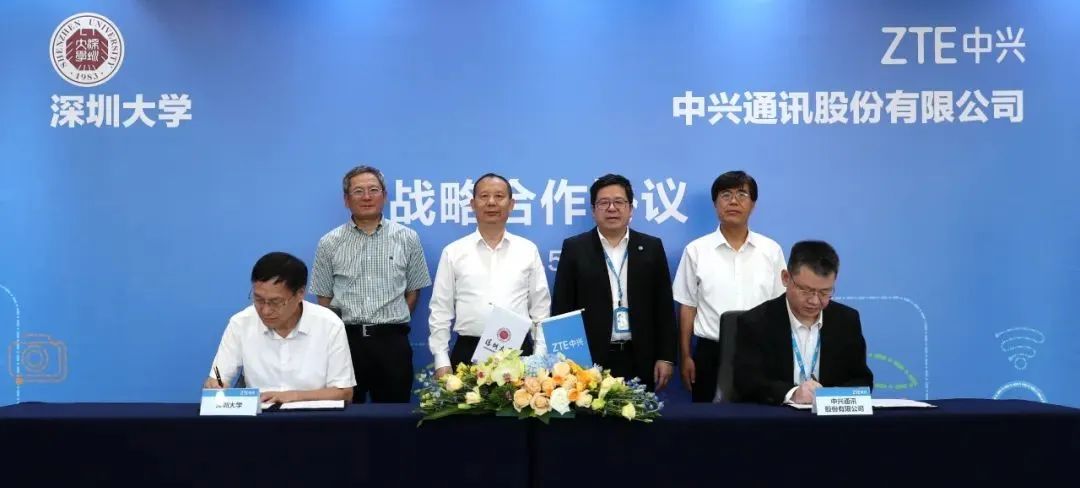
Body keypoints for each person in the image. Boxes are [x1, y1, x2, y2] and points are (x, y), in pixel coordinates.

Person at [310, 165, 432, 403]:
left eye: (373, 190)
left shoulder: (407, 238)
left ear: (384, 196)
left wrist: (390, 322)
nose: (367, 197)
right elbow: (324, 297)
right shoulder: (329, 242)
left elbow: (413, 291)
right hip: (346, 342)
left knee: (393, 415)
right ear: (346, 200)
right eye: (358, 191)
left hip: (392, 342)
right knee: (344, 414)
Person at [551, 174, 676, 391]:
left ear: (630, 208)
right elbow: (563, 306)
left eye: (619, 202)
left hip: (640, 356)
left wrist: (666, 357)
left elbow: (664, 306)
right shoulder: (575, 248)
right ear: (593, 210)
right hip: (588, 361)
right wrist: (566, 361)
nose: (612, 208)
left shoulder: (651, 247)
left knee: (638, 412)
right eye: (604, 203)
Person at [673, 170, 786, 402]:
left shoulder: (771, 250)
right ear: (715, 204)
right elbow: (687, 307)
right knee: (708, 421)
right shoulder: (696, 250)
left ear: (753, 204)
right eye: (725, 195)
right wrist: (685, 356)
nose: (733, 201)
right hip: (710, 353)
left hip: (761, 353)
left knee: (761, 418)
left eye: (742, 194)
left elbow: (781, 305)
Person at [429, 173, 550, 378]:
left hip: (518, 352)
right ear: (473, 204)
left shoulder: (527, 250)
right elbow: (441, 309)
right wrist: (441, 359)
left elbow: (541, 310)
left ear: (511, 204)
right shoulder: (454, 252)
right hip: (468, 351)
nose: (491, 202)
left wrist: (540, 357)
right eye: (484, 196)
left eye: (499, 196)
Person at [733, 240, 874, 405]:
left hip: (829, 417)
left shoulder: (846, 320)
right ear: (786, 278)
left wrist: (830, 397)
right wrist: (792, 394)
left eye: (824, 292)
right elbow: (747, 381)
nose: (814, 301)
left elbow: (861, 379)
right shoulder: (755, 322)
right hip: (777, 416)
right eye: (806, 290)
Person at [205, 252, 356, 404]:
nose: (265, 311)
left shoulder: (329, 325)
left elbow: (344, 392)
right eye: (258, 299)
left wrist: (293, 396)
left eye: (276, 302)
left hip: (313, 416)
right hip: (260, 415)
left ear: (300, 294)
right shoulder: (240, 323)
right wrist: (215, 384)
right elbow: (218, 376)